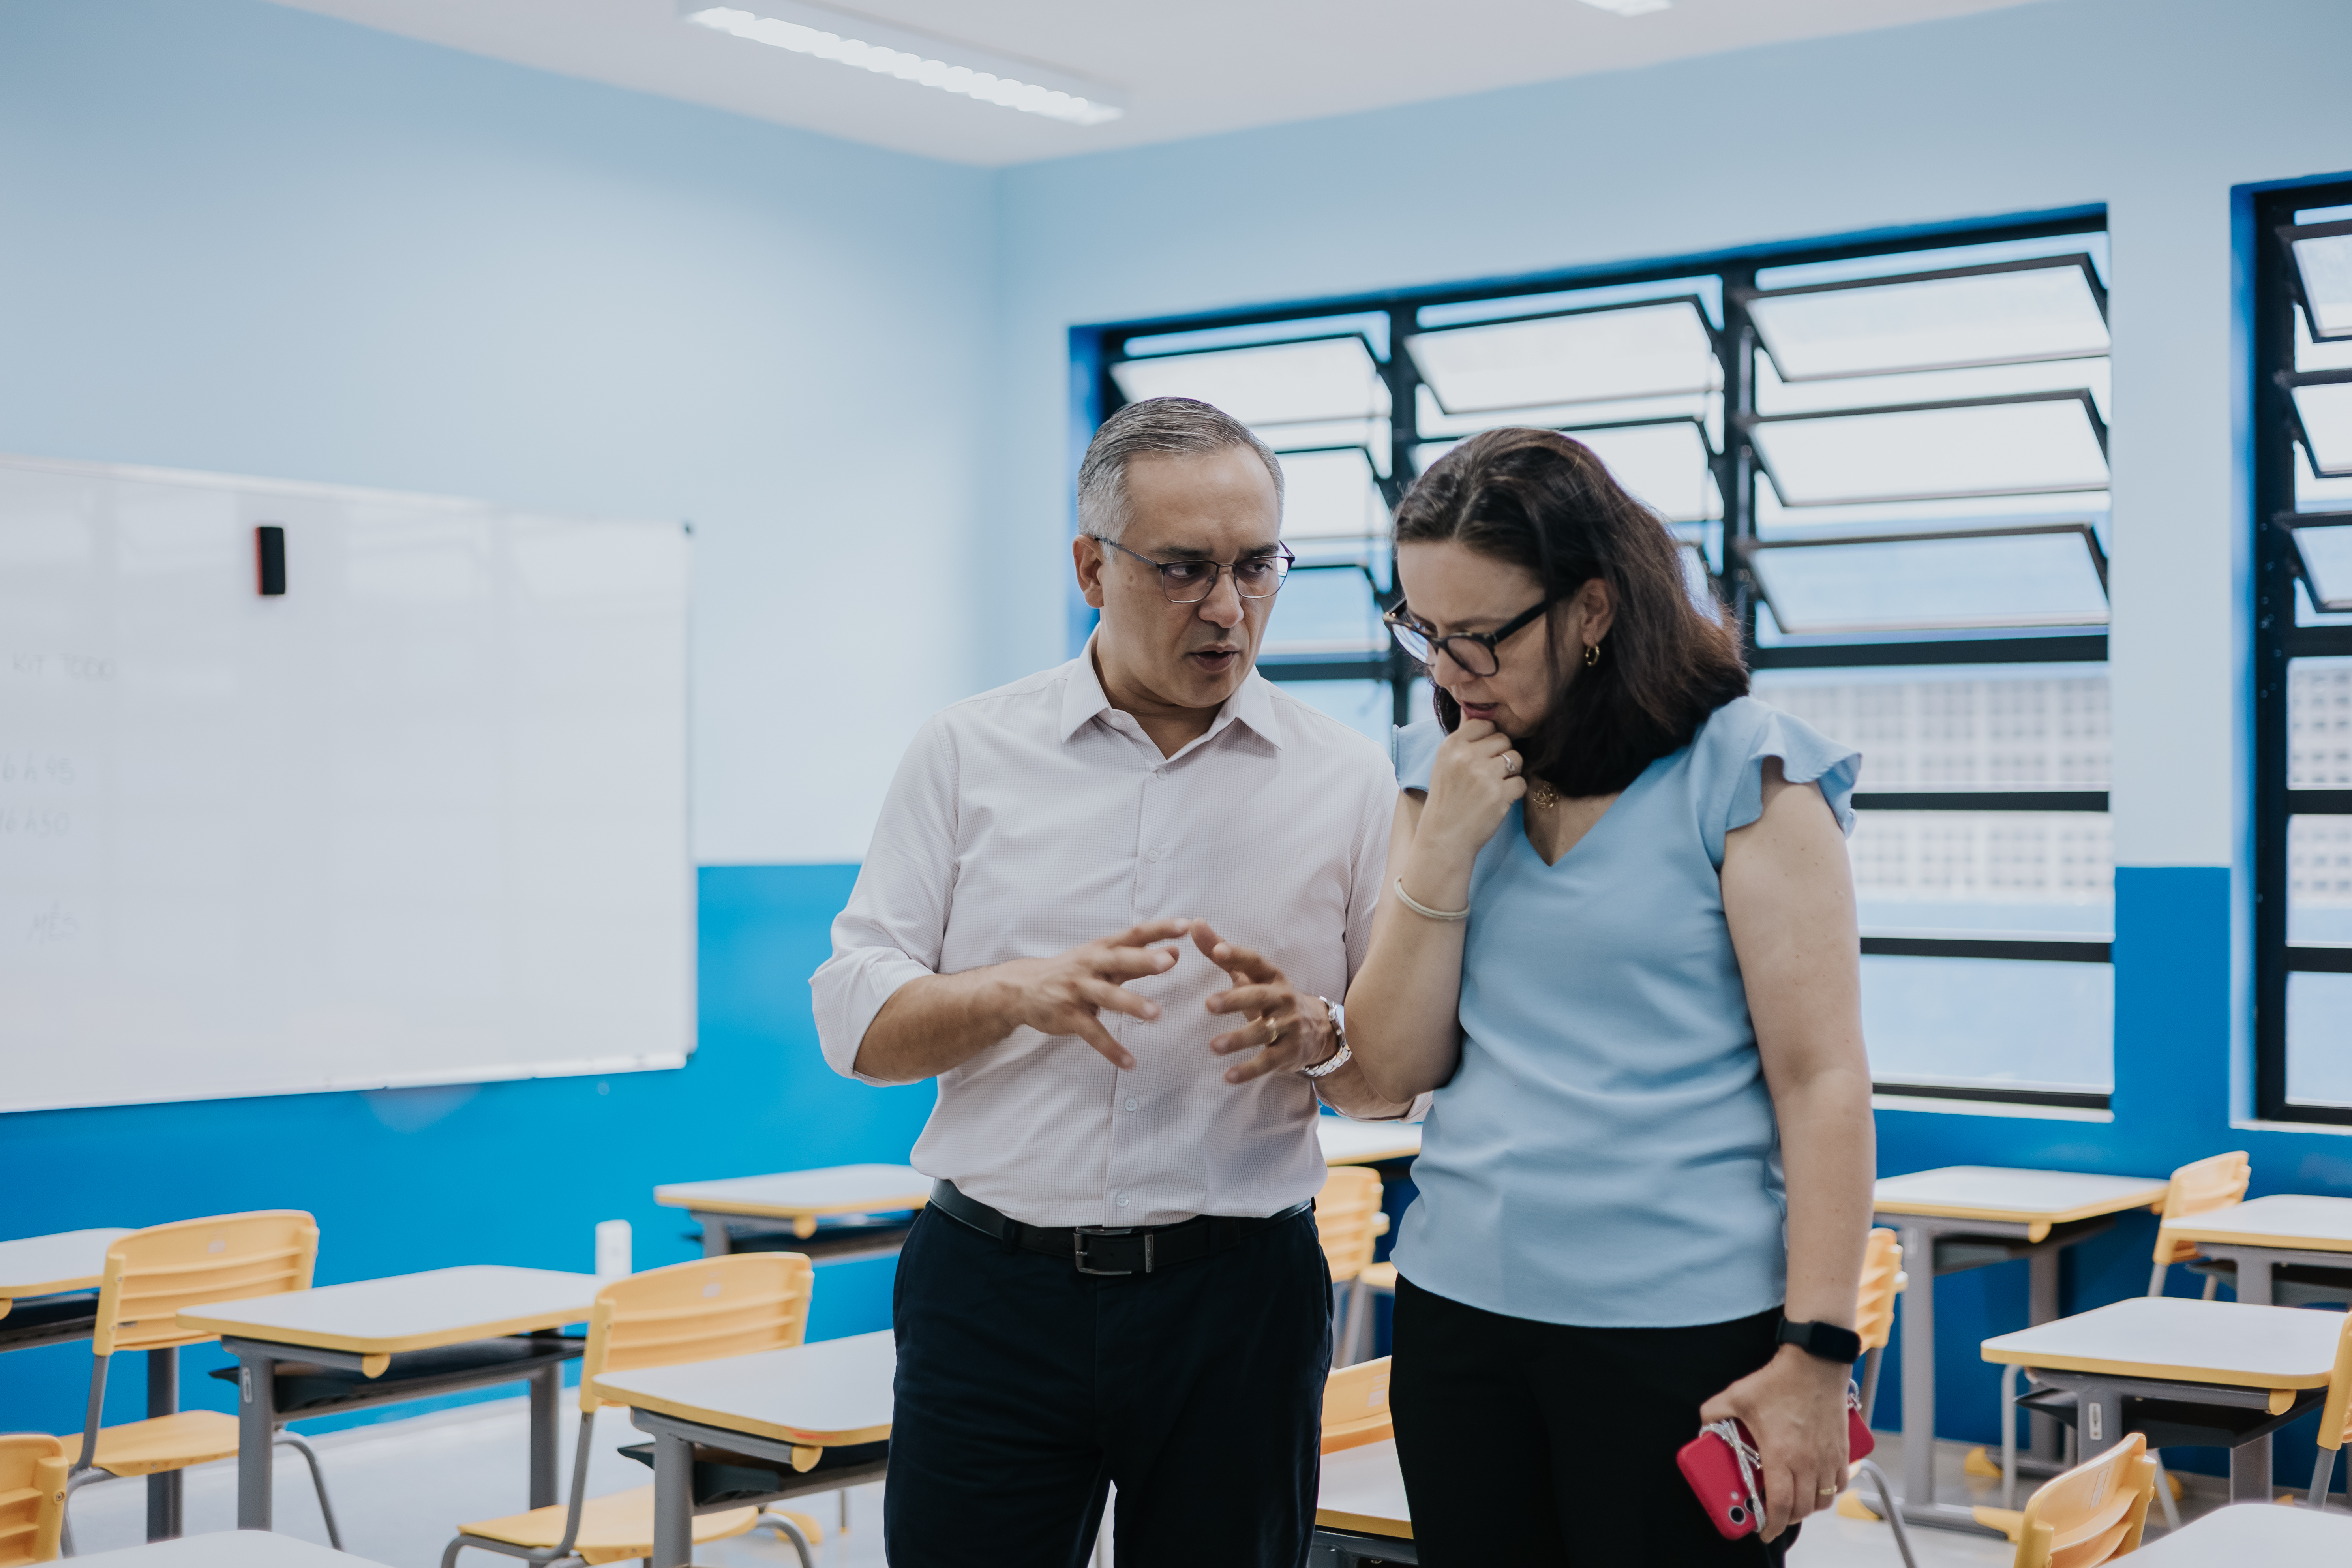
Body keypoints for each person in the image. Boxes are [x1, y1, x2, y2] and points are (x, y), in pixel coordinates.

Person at [810, 396, 1419, 1568]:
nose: (1228, 607)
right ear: (1093, 565)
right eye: (1184, 568)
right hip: (995, 1290)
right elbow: (856, 1024)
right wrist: (1014, 993)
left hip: (1239, 1301)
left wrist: (1321, 1033)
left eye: (1257, 566)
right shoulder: (967, 751)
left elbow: (1391, 1083)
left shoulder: (1348, 781)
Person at [1341, 426, 1876, 1566]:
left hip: (1683, 1334)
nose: (1446, 672)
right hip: (1461, 1317)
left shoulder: (1746, 774)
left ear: (1591, 610)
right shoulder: (1435, 776)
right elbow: (1388, 1074)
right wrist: (1436, 860)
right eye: (1421, 632)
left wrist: (1819, 1353)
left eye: (1480, 637)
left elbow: (1822, 1079)